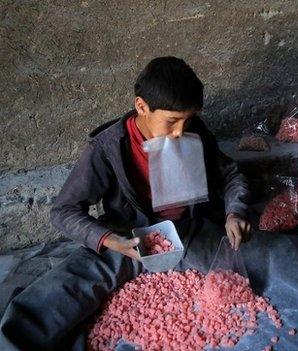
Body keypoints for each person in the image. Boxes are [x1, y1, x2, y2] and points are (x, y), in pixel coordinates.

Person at [0, 57, 252, 349]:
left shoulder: (196, 134)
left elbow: (231, 175)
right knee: (61, 291)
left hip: (187, 233)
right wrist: (109, 240)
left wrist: (235, 212)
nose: (181, 132)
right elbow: (64, 211)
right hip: (127, 239)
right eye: (171, 121)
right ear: (142, 106)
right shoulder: (108, 147)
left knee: (256, 260)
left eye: (188, 120)